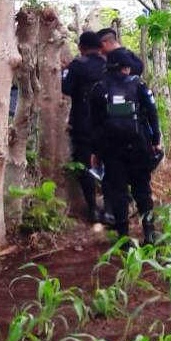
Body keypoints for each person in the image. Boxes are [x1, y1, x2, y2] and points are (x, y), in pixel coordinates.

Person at [89, 48, 161, 244]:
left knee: (118, 193)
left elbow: (94, 123)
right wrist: (155, 142)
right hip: (139, 147)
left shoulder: (98, 88)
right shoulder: (139, 86)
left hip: (111, 150)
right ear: (126, 68)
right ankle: (149, 235)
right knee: (142, 190)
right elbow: (152, 115)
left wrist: (95, 151)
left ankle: (123, 239)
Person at [61, 31, 107, 222]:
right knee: (109, 163)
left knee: (84, 164)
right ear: (100, 47)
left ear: (81, 47)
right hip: (107, 123)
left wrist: (65, 70)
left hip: (83, 122)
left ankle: (93, 209)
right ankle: (111, 208)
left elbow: (66, 89)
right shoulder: (109, 64)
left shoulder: (77, 65)